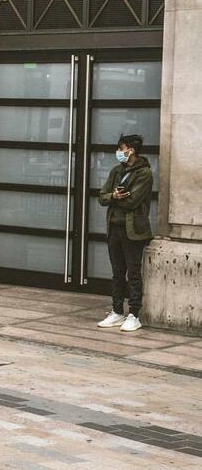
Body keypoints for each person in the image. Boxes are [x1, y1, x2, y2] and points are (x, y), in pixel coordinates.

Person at [96, 133, 154, 333]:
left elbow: (133, 201)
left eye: (122, 148)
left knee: (134, 273)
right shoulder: (116, 171)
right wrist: (114, 195)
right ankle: (117, 311)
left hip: (134, 231)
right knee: (117, 273)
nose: (119, 152)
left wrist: (115, 198)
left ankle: (134, 314)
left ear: (132, 150)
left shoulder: (144, 174)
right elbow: (102, 197)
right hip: (114, 228)